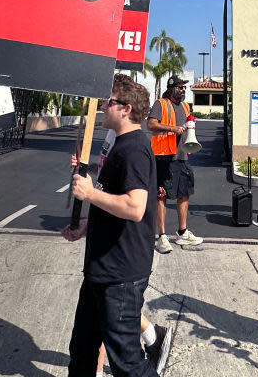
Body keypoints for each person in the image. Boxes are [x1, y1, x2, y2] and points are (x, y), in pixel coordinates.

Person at [62, 73, 160, 377]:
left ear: (126, 108)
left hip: (121, 275)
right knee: (82, 350)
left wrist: (89, 193)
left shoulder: (134, 149)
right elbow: (111, 201)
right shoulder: (119, 146)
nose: (104, 106)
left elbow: (134, 207)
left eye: (110, 102)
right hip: (101, 269)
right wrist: (86, 227)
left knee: (127, 362)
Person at [146, 76, 202, 253]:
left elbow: (187, 128)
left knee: (184, 193)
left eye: (184, 88)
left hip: (181, 156)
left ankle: (182, 232)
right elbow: (151, 124)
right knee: (161, 195)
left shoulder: (185, 106)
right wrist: (172, 129)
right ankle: (161, 237)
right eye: (179, 87)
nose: (183, 90)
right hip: (163, 156)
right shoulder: (160, 104)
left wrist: (190, 138)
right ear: (171, 89)